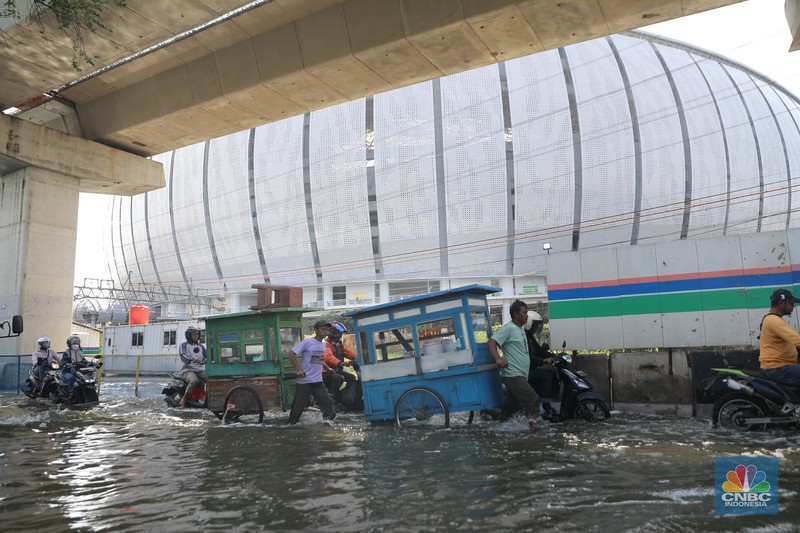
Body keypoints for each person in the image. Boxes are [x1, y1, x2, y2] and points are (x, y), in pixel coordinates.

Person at [488, 300, 543, 429]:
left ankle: (498, 429)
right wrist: (498, 358)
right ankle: (533, 426)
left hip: (521, 375)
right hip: (513, 375)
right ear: (516, 314)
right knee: (533, 399)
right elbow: (492, 342)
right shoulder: (509, 328)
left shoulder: (520, 329)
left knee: (510, 409)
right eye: (524, 313)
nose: (527, 316)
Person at [287, 320, 336, 424]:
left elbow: (317, 358)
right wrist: (298, 369)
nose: (325, 331)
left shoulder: (323, 343)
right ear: (316, 330)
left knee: (329, 407)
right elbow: (291, 354)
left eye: (327, 329)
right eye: (323, 329)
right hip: (305, 381)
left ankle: (327, 426)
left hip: (317, 380)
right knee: (296, 411)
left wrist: (327, 368)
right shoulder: (308, 342)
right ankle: (291, 427)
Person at [759, 288, 800, 386]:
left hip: (780, 366)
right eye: (791, 303)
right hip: (778, 369)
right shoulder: (773, 320)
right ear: (781, 303)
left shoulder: (773, 319)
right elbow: (797, 340)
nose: (793, 306)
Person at [523, 311, 558, 418]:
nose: (536, 328)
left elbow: (539, 351)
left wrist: (555, 356)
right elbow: (527, 357)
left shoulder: (530, 337)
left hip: (532, 369)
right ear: (529, 324)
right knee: (546, 377)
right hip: (525, 371)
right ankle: (542, 405)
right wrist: (543, 361)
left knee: (554, 374)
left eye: (537, 326)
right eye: (534, 326)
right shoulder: (523, 337)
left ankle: (548, 402)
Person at [323, 321, 362, 411]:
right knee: (338, 378)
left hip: (336, 369)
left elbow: (350, 353)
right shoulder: (326, 344)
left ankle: (345, 399)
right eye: (337, 333)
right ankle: (333, 399)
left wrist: (359, 359)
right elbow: (328, 357)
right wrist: (340, 363)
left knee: (352, 378)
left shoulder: (339, 345)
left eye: (340, 333)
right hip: (325, 371)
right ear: (331, 332)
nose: (339, 335)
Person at [178, 326, 207, 408]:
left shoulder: (201, 346)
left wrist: (205, 360)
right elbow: (183, 356)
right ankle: (184, 399)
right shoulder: (184, 345)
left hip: (200, 370)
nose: (196, 336)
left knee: (212, 379)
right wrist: (192, 360)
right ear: (188, 335)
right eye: (193, 334)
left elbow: (206, 356)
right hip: (188, 370)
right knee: (194, 381)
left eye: (197, 334)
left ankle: (205, 397)